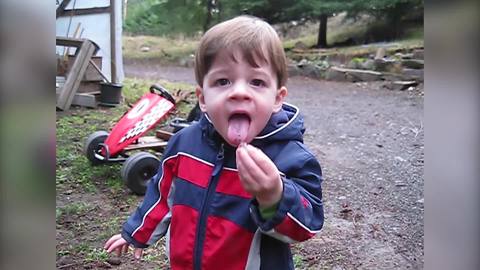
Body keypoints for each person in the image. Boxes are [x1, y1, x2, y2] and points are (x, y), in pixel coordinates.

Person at [104, 15, 324, 270]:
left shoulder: (290, 158)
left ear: (277, 98)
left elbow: (309, 224)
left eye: (257, 82)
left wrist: (274, 196)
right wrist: (137, 232)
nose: (239, 92)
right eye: (223, 81)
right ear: (203, 98)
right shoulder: (183, 145)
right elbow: (163, 194)